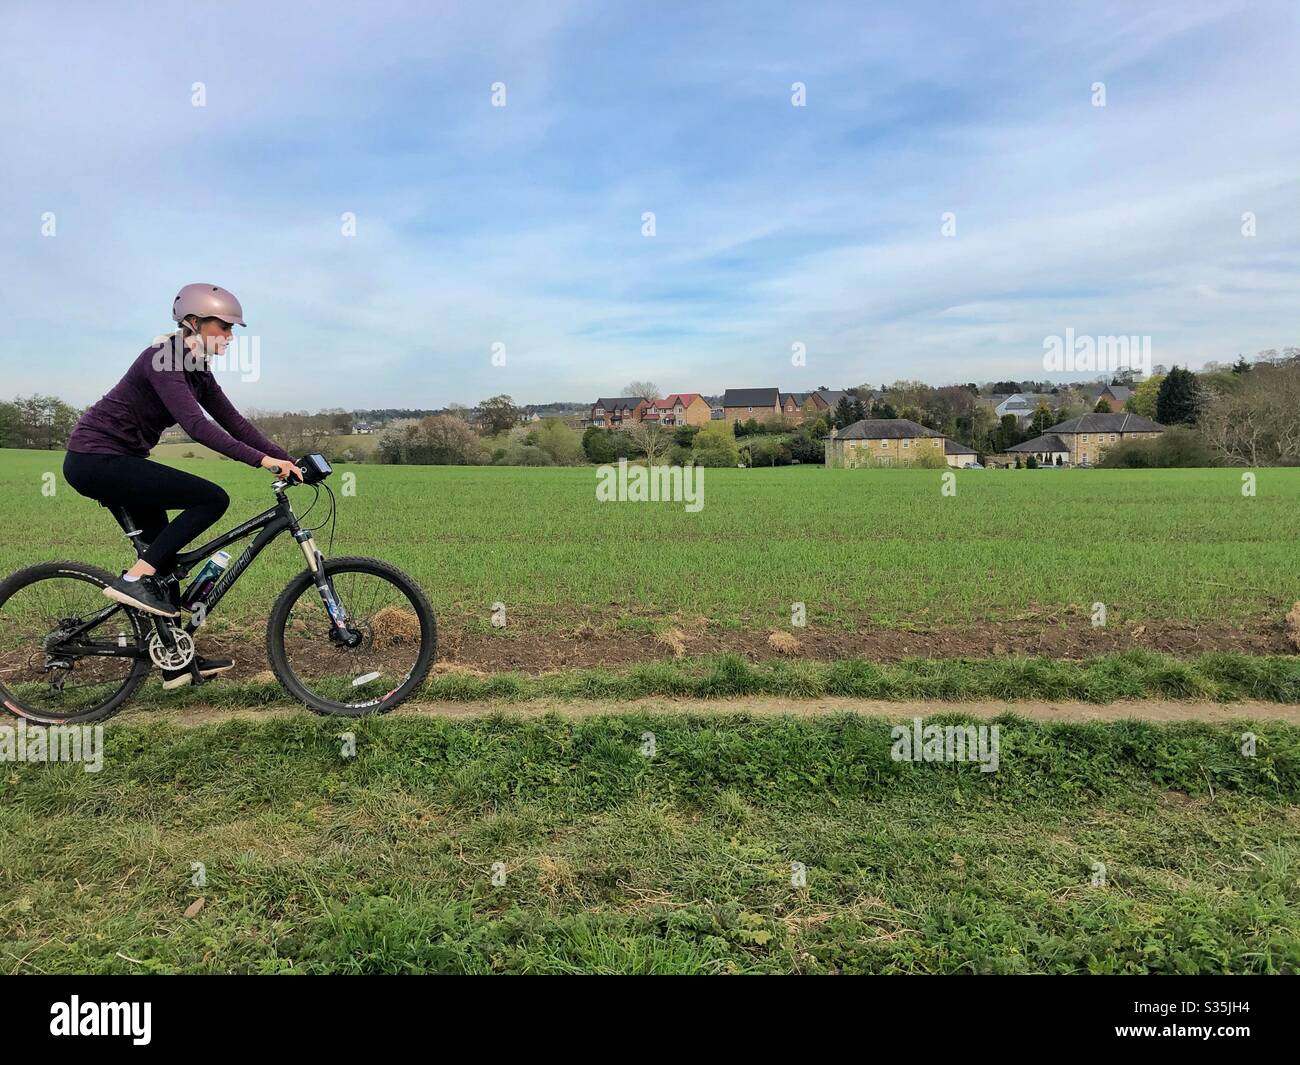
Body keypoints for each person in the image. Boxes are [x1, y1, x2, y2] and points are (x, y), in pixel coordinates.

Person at [63, 284, 303, 688]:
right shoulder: (163, 360)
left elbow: (234, 422)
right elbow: (197, 426)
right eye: (224, 326)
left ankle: (174, 660)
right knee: (210, 498)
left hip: (123, 461)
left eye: (233, 329)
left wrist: (288, 460)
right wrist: (261, 461)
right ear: (193, 322)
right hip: (96, 460)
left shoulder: (197, 370)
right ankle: (134, 581)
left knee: (167, 566)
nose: (230, 336)